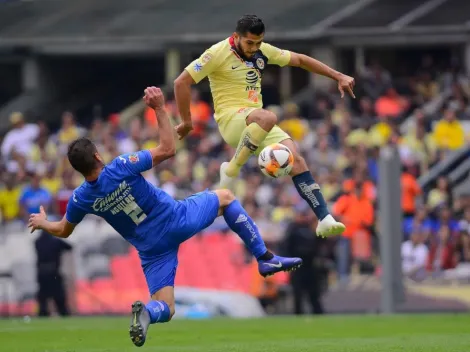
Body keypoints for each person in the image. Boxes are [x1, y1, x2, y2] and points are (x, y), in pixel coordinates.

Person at [28, 87, 302, 347]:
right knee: (226, 198)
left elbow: (64, 230)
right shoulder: (120, 167)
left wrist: (43, 223)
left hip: (151, 250)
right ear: (98, 155)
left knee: (166, 308)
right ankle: (265, 259)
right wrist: (159, 108)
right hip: (175, 220)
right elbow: (167, 149)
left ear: (77, 169)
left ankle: (147, 313)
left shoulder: (81, 198)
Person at [174, 14, 355, 237]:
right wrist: (186, 121)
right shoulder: (216, 53)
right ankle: (231, 169)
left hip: (256, 122)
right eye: (249, 43)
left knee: (295, 158)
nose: (254, 48)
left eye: (258, 43)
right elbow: (181, 82)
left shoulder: (262, 51)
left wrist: (337, 76)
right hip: (231, 120)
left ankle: (324, 218)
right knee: (269, 116)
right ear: (236, 37)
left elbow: (299, 60)